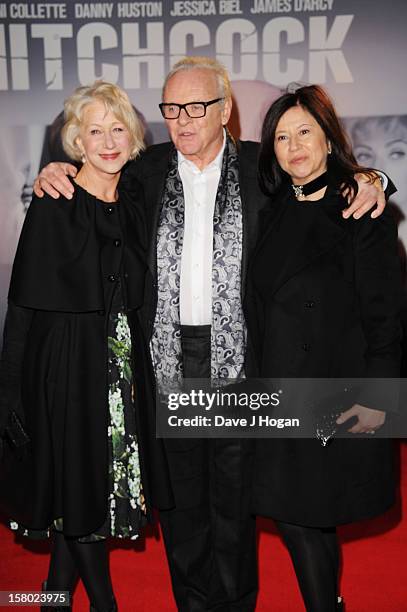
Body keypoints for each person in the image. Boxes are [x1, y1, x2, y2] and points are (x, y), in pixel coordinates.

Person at [32, 59, 389, 611]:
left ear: (225, 111)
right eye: (171, 109)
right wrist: (56, 171)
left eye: (196, 107)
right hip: (168, 361)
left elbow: (322, 181)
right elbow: (92, 184)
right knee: (182, 509)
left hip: (241, 363)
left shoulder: (262, 171)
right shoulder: (143, 172)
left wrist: (374, 179)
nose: (182, 120)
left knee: (234, 505)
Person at [0, 81, 173, 612]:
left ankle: (53, 596)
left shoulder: (140, 197)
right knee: (79, 488)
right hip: (64, 369)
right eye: (93, 129)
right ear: (75, 139)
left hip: (122, 368)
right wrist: (9, 393)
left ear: (134, 136)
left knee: (90, 489)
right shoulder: (54, 201)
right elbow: (23, 304)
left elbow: (206, 150)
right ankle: (104, 604)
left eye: (117, 128)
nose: (107, 140)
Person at [244, 85, 402, 611]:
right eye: (282, 137)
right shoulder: (272, 210)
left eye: (305, 132)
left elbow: (387, 321)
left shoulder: (362, 209)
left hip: (339, 394)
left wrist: (376, 404)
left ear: (329, 139)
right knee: (300, 514)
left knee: (306, 513)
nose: (294, 146)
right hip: (279, 393)